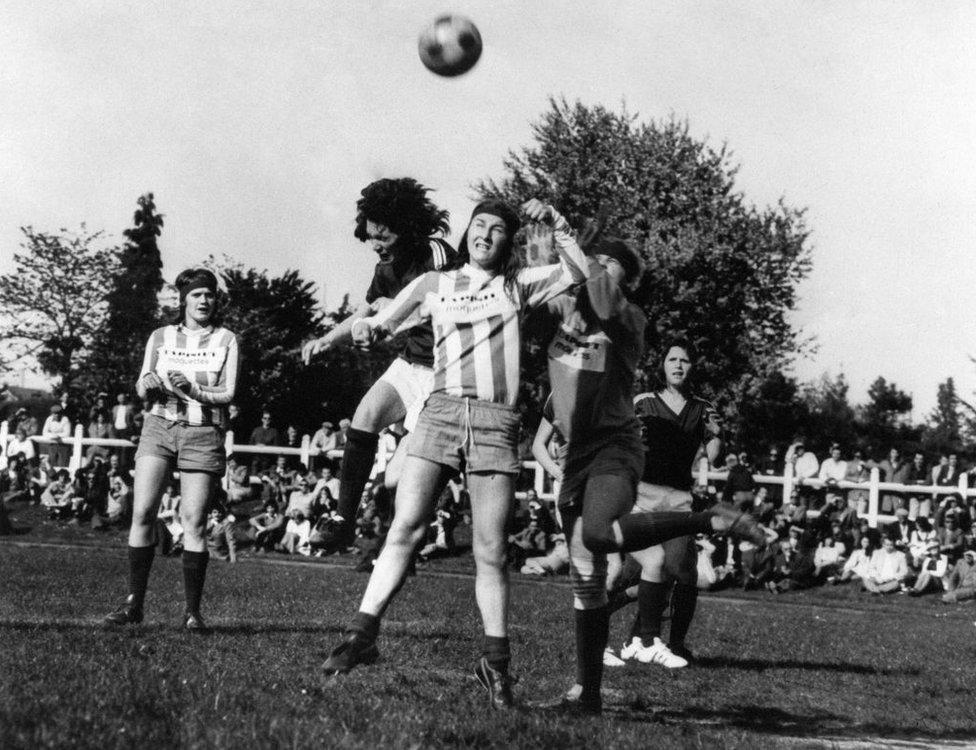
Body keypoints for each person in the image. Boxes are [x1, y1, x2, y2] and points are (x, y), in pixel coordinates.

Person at [317, 198, 590, 710]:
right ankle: (362, 633)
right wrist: (361, 331)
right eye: (478, 226)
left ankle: (495, 661)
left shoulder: (518, 284)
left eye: (497, 230)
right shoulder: (434, 285)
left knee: (489, 549)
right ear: (468, 234)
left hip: (495, 422)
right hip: (440, 414)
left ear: (507, 242)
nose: (485, 234)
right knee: (406, 527)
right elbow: (382, 321)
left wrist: (555, 222)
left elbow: (580, 269)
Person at [530, 236, 764, 713]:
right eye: (597, 261)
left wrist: (569, 239)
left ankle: (705, 521)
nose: (597, 266)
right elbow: (536, 290)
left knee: (597, 537)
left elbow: (598, 291)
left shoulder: (629, 317)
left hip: (615, 449)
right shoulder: (570, 312)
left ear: (625, 278)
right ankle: (587, 693)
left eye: (609, 263)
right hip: (577, 458)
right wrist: (540, 244)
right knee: (588, 578)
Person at [301, 178, 456, 549]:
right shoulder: (383, 269)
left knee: (396, 480)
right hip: (412, 362)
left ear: (407, 228)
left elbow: (446, 304)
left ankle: (397, 536)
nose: (375, 245)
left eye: (383, 237)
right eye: (371, 237)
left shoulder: (436, 254)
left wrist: (391, 318)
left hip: (446, 372)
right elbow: (364, 312)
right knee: (365, 415)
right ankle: (343, 520)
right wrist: (327, 339)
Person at [104, 268, 239, 632]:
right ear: (184, 300)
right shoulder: (161, 336)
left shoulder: (226, 339)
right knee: (143, 512)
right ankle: (134, 604)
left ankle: (192, 613)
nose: (204, 300)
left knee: (194, 521)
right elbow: (142, 383)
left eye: (209, 294)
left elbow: (228, 393)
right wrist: (146, 383)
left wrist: (192, 389)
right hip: (159, 427)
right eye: (197, 295)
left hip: (203, 432)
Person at [621, 340, 731, 669]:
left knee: (681, 570)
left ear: (692, 367)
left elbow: (715, 453)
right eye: (673, 359)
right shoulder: (642, 403)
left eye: (685, 360)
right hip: (643, 496)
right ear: (663, 366)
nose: (679, 365)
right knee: (633, 574)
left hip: (680, 499)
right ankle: (621, 629)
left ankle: (672, 644)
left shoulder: (703, 408)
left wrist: (716, 440)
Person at [41, 403, 72, 468]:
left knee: (62, 465)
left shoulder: (65, 419)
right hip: (52, 445)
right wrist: (52, 436)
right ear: (52, 413)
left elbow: (67, 433)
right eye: (55, 413)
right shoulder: (49, 419)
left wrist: (57, 435)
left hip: (63, 445)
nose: (57, 415)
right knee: (51, 464)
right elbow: (44, 432)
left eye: (58, 413)